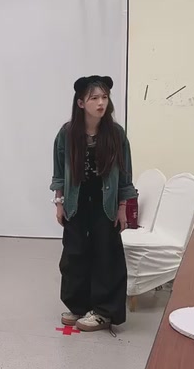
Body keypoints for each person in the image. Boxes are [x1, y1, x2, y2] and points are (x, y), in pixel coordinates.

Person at [50, 75, 137, 332]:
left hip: (105, 204)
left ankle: (103, 311)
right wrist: (59, 203)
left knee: (106, 255)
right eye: (94, 98)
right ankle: (79, 306)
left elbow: (125, 174)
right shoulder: (67, 134)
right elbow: (59, 172)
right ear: (81, 103)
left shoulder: (116, 134)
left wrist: (122, 208)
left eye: (104, 97)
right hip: (76, 202)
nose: (101, 103)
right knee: (73, 255)